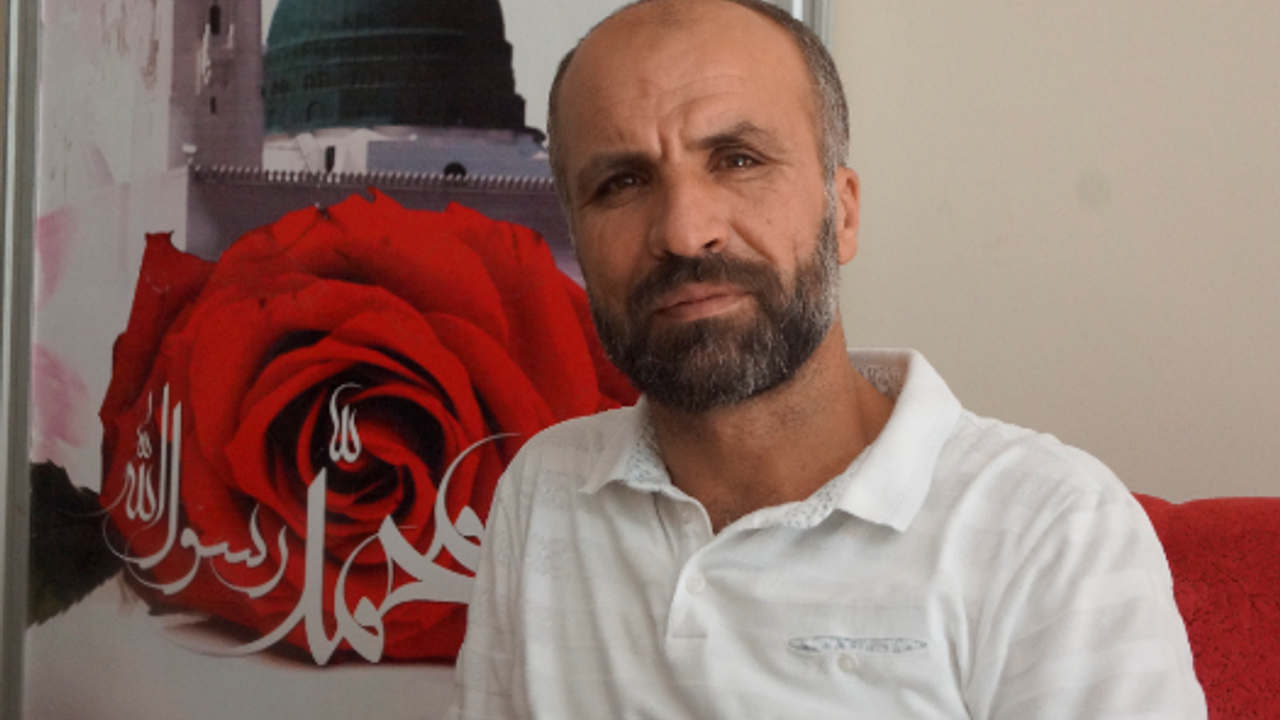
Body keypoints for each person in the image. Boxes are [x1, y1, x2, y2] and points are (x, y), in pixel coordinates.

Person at [447, 0, 1207, 717]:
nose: (684, 230)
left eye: (738, 160)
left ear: (841, 213)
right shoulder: (544, 491)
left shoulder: (1052, 527)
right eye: (622, 183)